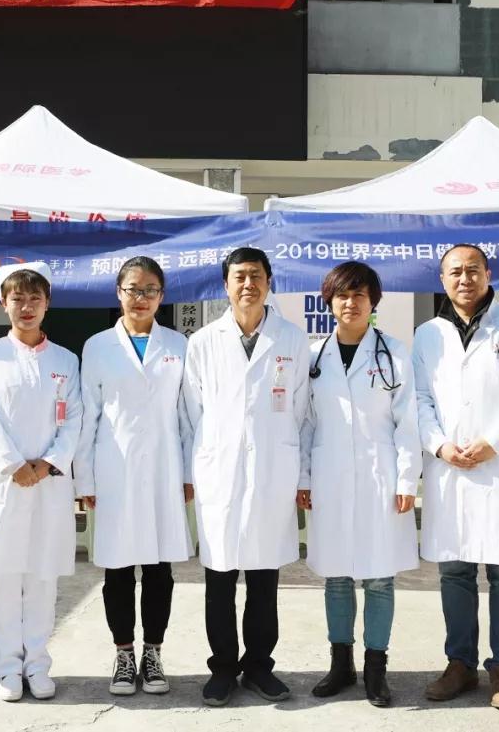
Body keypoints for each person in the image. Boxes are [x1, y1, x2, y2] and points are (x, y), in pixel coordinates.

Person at [413, 244, 499, 711]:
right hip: (450, 467)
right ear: (442, 279)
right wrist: (439, 445)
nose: (464, 278)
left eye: (473, 270)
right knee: (454, 570)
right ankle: (460, 663)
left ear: (489, 274)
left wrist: (495, 441)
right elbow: (418, 400)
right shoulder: (427, 335)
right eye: (455, 271)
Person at [182, 247, 310, 707]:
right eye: (239, 277)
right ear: (226, 285)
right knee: (219, 577)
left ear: (269, 282)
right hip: (219, 471)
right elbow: (191, 414)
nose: (248, 284)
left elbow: (301, 411)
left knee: (263, 576)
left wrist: (301, 474)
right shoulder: (203, 342)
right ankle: (222, 669)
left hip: (273, 468)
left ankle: (258, 666)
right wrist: (192, 472)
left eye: (256, 275)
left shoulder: (292, 339)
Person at [297, 261, 421, 708]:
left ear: (373, 302)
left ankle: (376, 668)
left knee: (380, 578)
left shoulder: (394, 353)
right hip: (329, 476)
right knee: (336, 577)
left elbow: (408, 422)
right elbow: (305, 423)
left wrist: (407, 478)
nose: (351, 303)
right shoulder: (314, 356)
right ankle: (341, 664)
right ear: (329, 302)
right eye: (342, 295)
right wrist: (304, 477)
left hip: (379, 476)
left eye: (360, 295)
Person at [74, 256, 194, 697]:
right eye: (132, 289)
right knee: (119, 569)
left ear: (162, 296)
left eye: (149, 290)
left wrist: (189, 473)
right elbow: (87, 417)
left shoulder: (179, 345)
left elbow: (187, 417)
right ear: (118, 293)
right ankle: (124, 654)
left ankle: (153, 653)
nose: (140, 298)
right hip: (114, 471)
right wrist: (84, 479)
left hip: (164, 469)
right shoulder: (98, 346)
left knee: (160, 569)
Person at [0, 262, 82, 702]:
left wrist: (47, 464)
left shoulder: (65, 360)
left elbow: (75, 418)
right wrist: (14, 464)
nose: (27, 307)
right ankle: (8, 668)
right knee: (5, 579)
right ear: (3, 303)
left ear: (48, 303)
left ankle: (38, 664)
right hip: (4, 484)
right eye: (18, 299)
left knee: (43, 578)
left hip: (48, 484)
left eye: (35, 298)